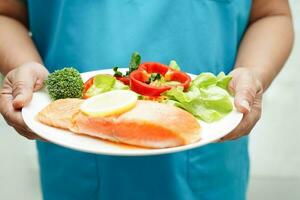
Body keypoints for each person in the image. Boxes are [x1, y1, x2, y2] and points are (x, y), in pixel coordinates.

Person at [0, 0, 294, 199]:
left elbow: (270, 14)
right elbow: (6, 13)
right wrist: (23, 68)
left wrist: (253, 74)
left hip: (208, 158)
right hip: (75, 156)